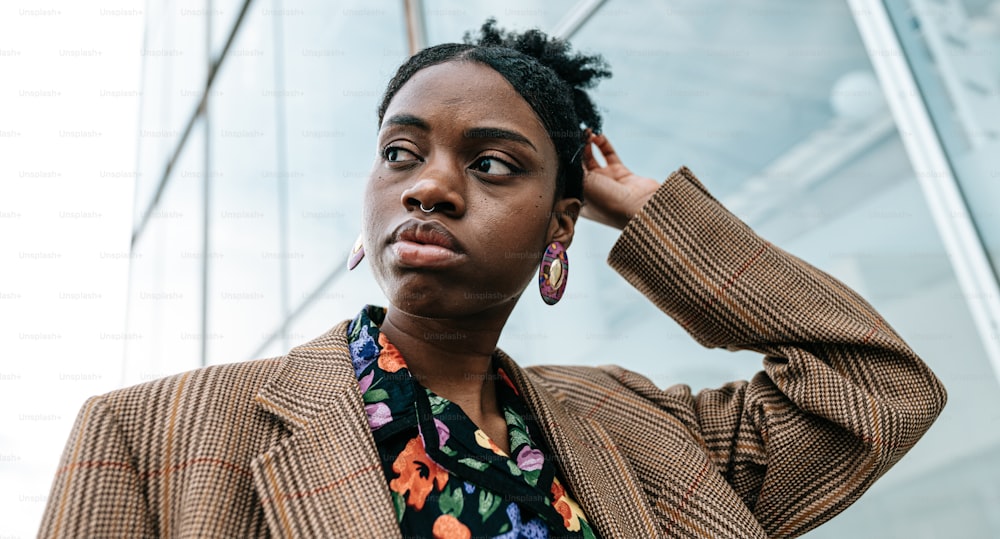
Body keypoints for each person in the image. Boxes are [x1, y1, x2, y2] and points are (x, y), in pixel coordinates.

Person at [39, 20, 945, 539]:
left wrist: (648, 209)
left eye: (495, 164)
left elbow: (878, 389)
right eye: (401, 151)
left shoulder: (645, 433)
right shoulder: (149, 436)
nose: (429, 184)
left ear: (561, 224)